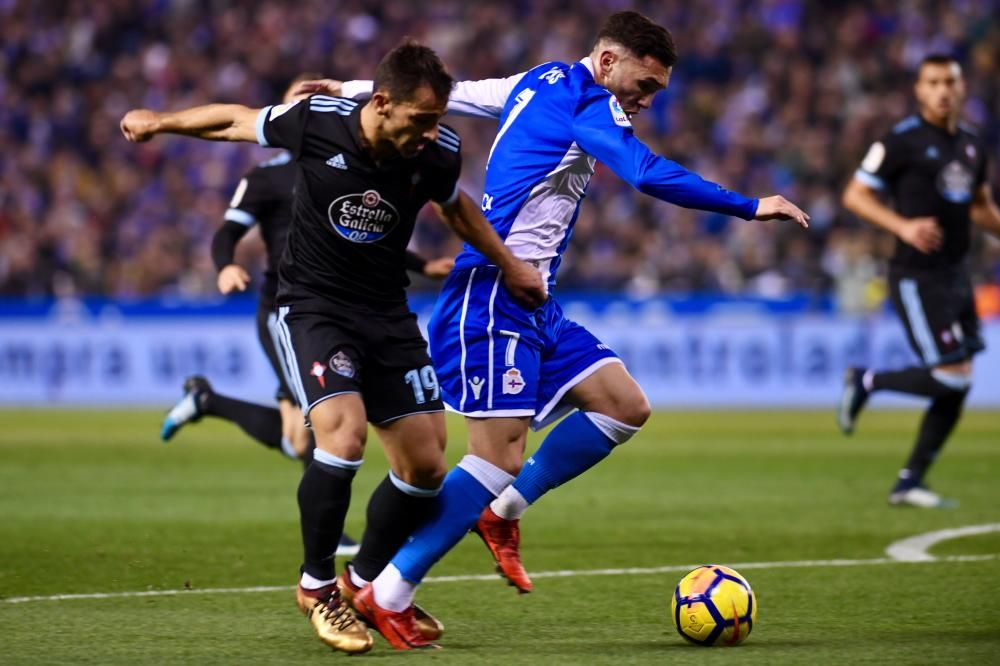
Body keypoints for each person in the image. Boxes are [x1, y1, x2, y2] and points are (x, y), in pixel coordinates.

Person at [307, 11, 808, 648]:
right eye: (645, 83)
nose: (648, 99)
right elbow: (647, 173)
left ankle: (502, 512)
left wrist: (350, 89)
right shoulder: (588, 105)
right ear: (606, 62)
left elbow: (456, 93)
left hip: (536, 302)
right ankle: (388, 590)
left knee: (624, 406)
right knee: (495, 456)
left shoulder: (537, 80)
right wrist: (748, 204)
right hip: (491, 295)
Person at [120, 40, 545, 654]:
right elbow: (235, 121)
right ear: (381, 103)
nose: (431, 133)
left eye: (438, 120)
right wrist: (161, 121)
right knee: (341, 440)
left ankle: (362, 584)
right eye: (421, 120)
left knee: (426, 466)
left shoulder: (437, 151)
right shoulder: (316, 123)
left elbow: (457, 210)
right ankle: (316, 587)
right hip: (315, 308)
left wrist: (507, 264)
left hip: (388, 314)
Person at [156, 75, 454, 560]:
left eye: (319, 103)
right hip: (289, 309)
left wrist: (422, 266)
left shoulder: (366, 163)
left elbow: (368, 241)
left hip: (356, 308)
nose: (310, 110)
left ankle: (208, 401)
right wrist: (226, 264)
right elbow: (226, 232)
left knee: (302, 434)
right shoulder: (267, 177)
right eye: (300, 104)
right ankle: (325, 541)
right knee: (322, 431)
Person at [839, 54, 999, 508]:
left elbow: (980, 207)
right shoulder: (901, 140)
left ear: (961, 88)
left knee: (960, 381)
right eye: (933, 82)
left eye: (950, 81)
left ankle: (910, 481)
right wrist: (903, 226)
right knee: (950, 375)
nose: (943, 90)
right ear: (919, 90)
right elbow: (855, 195)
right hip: (916, 274)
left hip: (957, 274)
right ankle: (866, 380)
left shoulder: (971, 145)